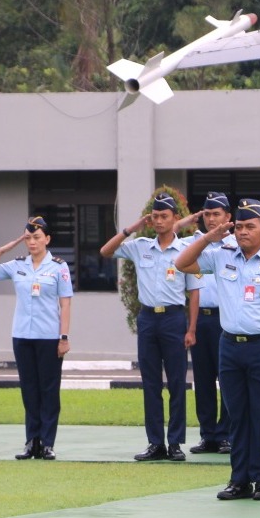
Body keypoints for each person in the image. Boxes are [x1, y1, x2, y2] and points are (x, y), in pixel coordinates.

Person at [175, 198, 260, 500]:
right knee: (237, 415)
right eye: (239, 226)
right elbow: (181, 263)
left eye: (249, 226)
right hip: (230, 345)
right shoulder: (222, 255)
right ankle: (239, 478)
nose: (242, 232)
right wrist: (208, 237)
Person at [102, 192, 194, 462]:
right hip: (148, 318)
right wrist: (131, 229)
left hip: (174, 318)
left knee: (177, 382)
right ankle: (156, 443)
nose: (159, 221)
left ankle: (175, 442)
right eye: (155, 217)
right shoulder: (140, 245)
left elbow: (194, 291)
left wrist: (192, 329)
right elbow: (106, 251)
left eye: (164, 216)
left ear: (175, 218)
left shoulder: (185, 249)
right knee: (150, 383)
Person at [0, 216, 72, 459]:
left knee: (49, 391)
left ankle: (48, 443)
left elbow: (65, 303)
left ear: (47, 239)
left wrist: (64, 337)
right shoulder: (17, 265)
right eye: (28, 237)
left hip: (49, 336)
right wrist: (1, 250)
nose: (32, 242)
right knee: (29, 391)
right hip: (22, 335)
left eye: (37, 237)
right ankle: (32, 442)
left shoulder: (59, 267)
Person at [179, 192, 232, 455]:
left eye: (217, 214)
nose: (212, 220)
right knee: (203, 379)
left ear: (228, 217)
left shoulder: (236, 244)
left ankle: (226, 434)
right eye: (207, 214)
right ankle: (208, 434)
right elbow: (168, 236)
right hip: (201, 320)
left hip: (227, 320)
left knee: (228, 379)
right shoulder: (193, 244)